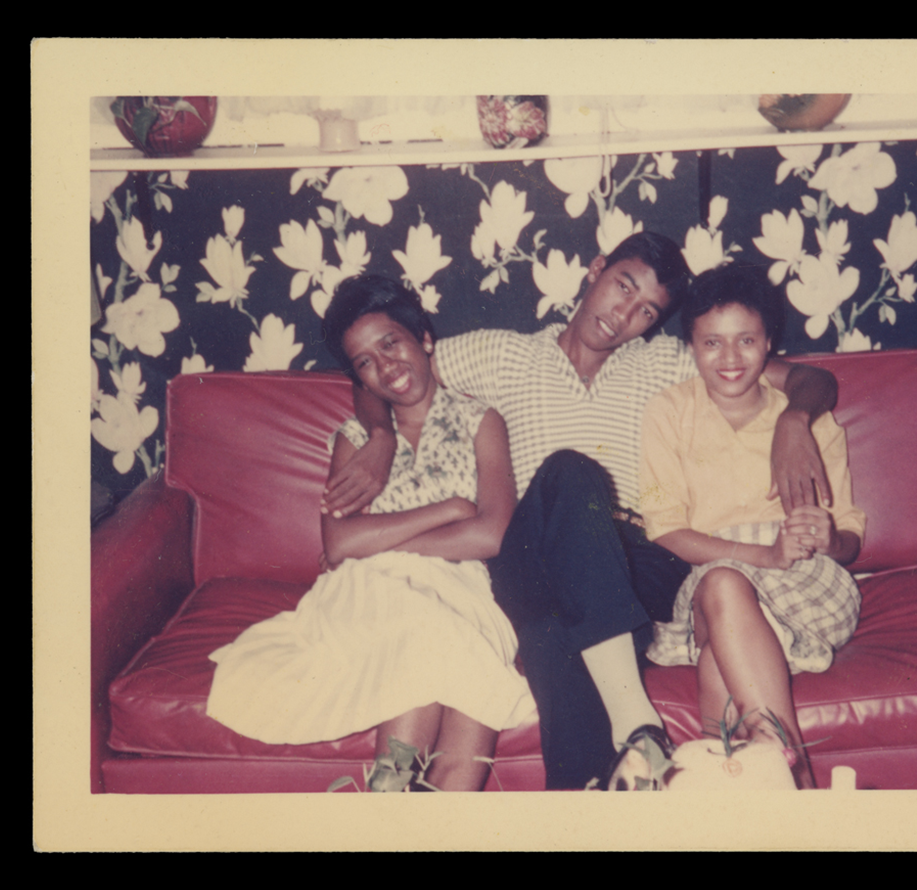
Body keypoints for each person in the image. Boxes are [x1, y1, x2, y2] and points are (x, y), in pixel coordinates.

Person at [323, 233, 839, 790]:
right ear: (595, 270)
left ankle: (585, 803)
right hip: (530, 553)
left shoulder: (664, 361)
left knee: (549, 631)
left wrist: (795, 421)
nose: (624, 316)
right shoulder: (504, 354)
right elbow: (391, 365)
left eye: (647, 311)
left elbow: (814, 380)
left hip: (636, 563)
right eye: (622, 287)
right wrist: (379, 434)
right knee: (569, 471)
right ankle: (637, 722)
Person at [206, 275, 534, 792]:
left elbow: (491, 535)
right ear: (357, 377)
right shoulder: (355, 439)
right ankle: (390, 791)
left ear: (424, 339)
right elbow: (338, 545)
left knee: (451, 639)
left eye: (391, 344)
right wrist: (448, 508)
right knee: (425, 632)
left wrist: (376, 537)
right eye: (364, 361)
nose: (385, 367)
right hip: (370, 593)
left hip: (467, 590)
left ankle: (393, 800)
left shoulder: (480, 420)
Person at [638, 265, 864, 788]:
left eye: (746, 340)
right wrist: (762, 556)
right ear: (691, 347)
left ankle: (751, 792)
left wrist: (828, 537)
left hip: (808, 582)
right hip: (713, 572)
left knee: (723, 648)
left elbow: (850, 539)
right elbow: (664, 527)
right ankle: (795, 775)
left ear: (769, 344)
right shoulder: (666, 413)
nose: (730, 358)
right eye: (712, 343)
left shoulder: (813, 422)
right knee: (722, 584)